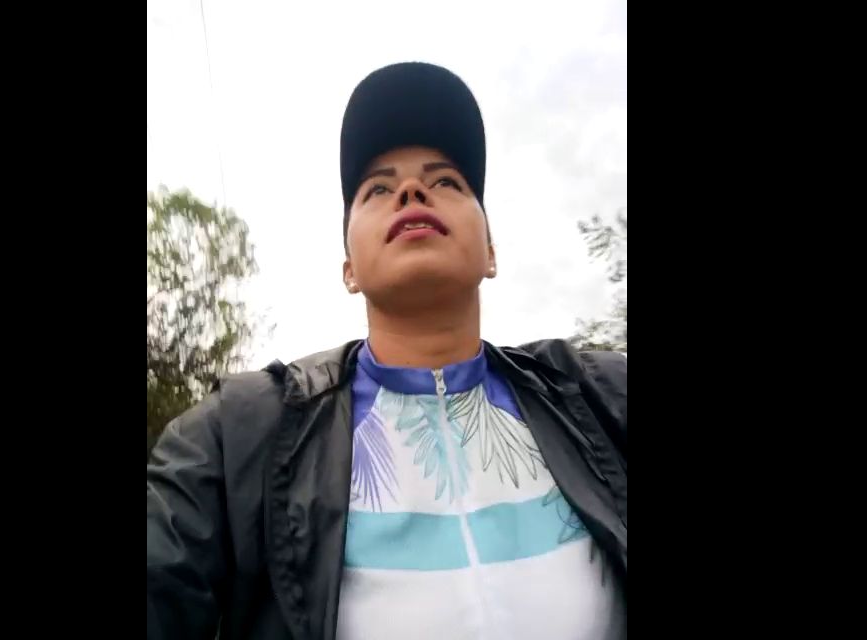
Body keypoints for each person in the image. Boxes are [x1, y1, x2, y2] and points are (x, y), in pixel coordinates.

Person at [147, 62, 627, 640]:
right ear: (349, 269)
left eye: (446, 182)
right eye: (377, 188)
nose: (411, 191)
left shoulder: (602, 394)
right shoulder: (238, 435)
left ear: (491, 253)